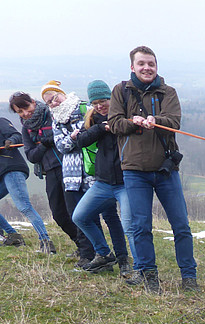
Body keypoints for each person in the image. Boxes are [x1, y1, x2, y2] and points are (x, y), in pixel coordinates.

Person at [107, 45, 197, 294]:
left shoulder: (167, 91)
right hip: (134, 170)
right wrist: (131, 122)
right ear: (132, 67)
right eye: (142, 64)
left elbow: (174, 122)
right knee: (141, 226)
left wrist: (156, 121)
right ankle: (149, 277)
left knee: (181, 225)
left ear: (156, 67)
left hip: (165, 169)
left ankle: (189, 277)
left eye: (151, 64)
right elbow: (113, 124)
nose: (147, 68)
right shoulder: (120, 91)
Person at [44, 80, 127, 271]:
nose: (53, 103)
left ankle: (122, 259)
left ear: (62, 93)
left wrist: (76, 137)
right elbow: (64, 145)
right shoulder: (68, 119)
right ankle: (101, 255)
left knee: (110, 216)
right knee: (81, 216)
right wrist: (81, 135)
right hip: (80, 174)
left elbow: (81, 138)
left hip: (103, 173)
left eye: (54, 97)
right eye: (49, 102)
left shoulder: (89, 110)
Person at [71, 80, 134, 276]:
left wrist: (114, 125)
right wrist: (101, 128)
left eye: (104, 101)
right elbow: (81, 141)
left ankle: (128, 262)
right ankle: (104, 254)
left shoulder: (123, 115)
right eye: (96, 102)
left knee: (127, 224)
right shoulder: (93, 120)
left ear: (111, 98)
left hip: (126, 181)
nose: (100, 106)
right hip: (103, 182)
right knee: (80, 217)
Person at [10, 91, 79, 255]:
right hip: (49, 171)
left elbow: (65, 137)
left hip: (69, 167)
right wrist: (44, 144)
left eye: (26, 107)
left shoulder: (52, 114)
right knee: (58, 214)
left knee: (75, 211)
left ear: (33, 102)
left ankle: (87, 249)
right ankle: (81, 244)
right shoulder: (27, 129)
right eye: (20, 111)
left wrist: (47, 142)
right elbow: (31, 156)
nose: (25, 113)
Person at [0, 116, 54, 252]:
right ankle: (13, 235)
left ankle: (46, 242)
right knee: (24, 206)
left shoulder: (1, 121)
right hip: (2, 172)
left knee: (24, 206)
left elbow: (16, 135)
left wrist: (10, 141)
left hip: (12, 168)